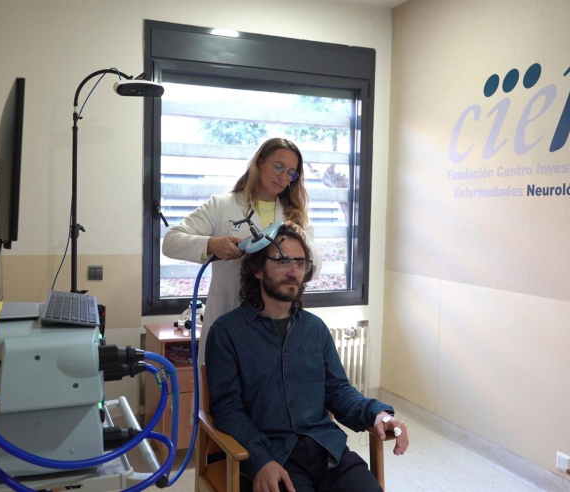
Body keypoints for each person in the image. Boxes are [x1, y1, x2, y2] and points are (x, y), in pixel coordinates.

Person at [205, 226, 409, 492]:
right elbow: (227, 411)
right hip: (275, 456)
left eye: (300, 263)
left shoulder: (315, 329)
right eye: (283, 261)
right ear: (257, 269)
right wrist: (260, 460)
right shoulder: (226, 333)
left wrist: (378, 414)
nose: (294, 272)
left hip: (328, 452)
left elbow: (338, 391)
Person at [162, 138, 323, 399]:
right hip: (228, 314)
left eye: (291, 173)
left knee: (269, 399)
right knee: (222, 401)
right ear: (259, 163)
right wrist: (212, 244)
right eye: (278, 167)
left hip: (277, 322)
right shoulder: (221, 205)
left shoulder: (296, 216)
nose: (283, 177)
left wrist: (302, 240)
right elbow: (171, 242)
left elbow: (314, 269)